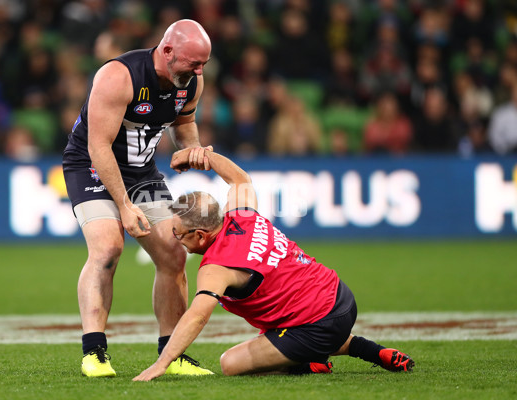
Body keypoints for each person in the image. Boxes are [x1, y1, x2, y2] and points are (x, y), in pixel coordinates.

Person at [133, 148, 415, 381]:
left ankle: (308, 363)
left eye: (178, 234)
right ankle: (373, 352)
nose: (175, 239)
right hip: (341, 297)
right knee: (278, 333)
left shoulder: (214, 268)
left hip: (315, 324)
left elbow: (197, 317)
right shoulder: (242, 215)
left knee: (230, 363)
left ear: (200, 235)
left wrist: (162, 363)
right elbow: (240, 179)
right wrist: (205, 155)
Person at [62, 19, 214, 377]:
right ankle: (94, 352)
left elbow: (183, 123)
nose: (199, 70)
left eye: (203, 64)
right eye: (194, 63)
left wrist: (190, 149)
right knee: (107, 248)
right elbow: (98, 146)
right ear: (167, 51)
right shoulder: (118, 77)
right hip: (92, 167)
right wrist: (126, 207)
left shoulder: (190, 81)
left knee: (174, 255)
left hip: (141, 172)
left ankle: (171, 354)